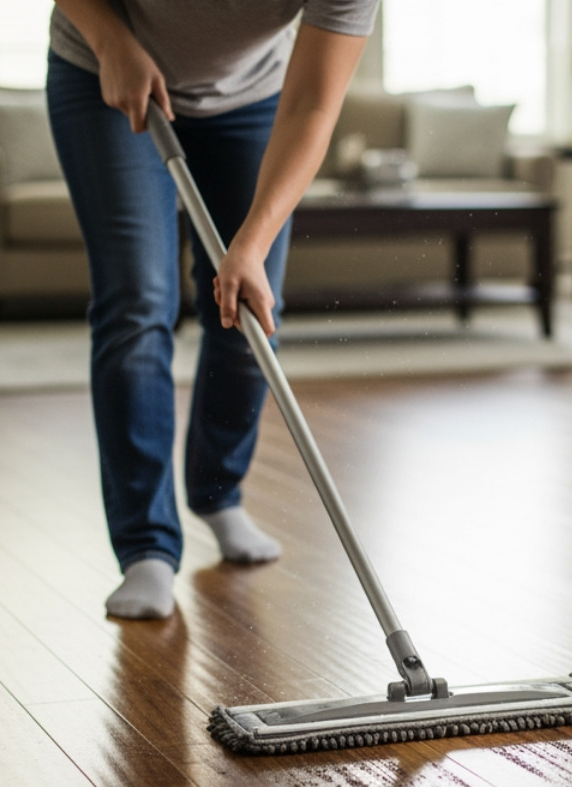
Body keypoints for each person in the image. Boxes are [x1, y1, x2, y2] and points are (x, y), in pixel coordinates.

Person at [47, 1, 376, 618]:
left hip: (251, 98)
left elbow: (311, 106)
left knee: (247, 312)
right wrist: (111, 42)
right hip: (106, 72)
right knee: (137, 304)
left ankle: (218, 492)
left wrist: (250, 245)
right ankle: (146, 547)